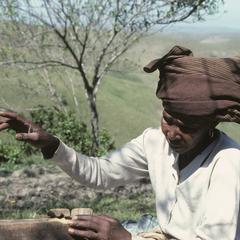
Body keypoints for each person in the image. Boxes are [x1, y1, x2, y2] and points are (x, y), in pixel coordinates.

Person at [0, 45, 240, 240]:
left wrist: (126, 239)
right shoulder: (154, 141)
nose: (173, 133)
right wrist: (52, 145)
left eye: (187, 127)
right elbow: (101, 173)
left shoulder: (229, 162)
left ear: (212, 125)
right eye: (168, 119)